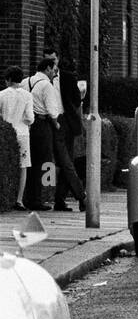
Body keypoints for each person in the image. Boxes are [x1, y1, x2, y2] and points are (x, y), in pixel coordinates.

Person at [21, 54, 61, 211]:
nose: (54, 73)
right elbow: (52, 111)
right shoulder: (47, 85)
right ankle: (41, 197)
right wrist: (56, 122)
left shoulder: (26, 81)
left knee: (29, 162)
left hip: (27, 124)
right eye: (53, 69)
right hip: (43, 125)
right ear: (47, 68)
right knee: (45, 162)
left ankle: (27, 197)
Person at [51, 59, 86, 212]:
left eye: (53, 59)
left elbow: (77, 99)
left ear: (58, 59)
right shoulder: (41, 80)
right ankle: (81, 196)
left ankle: (60, 200)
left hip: (65, 121)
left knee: (67, 161)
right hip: (49, 122)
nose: (51, 63)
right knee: (65, 162)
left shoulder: (68, 77)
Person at [0, 66, 35, 210]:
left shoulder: (1, 94)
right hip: (22, 133)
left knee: (5, 164)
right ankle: (19, 199)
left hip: (7, 132)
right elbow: (30, 118)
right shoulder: (27, 95)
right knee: (23, 166)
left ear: (8, 79)